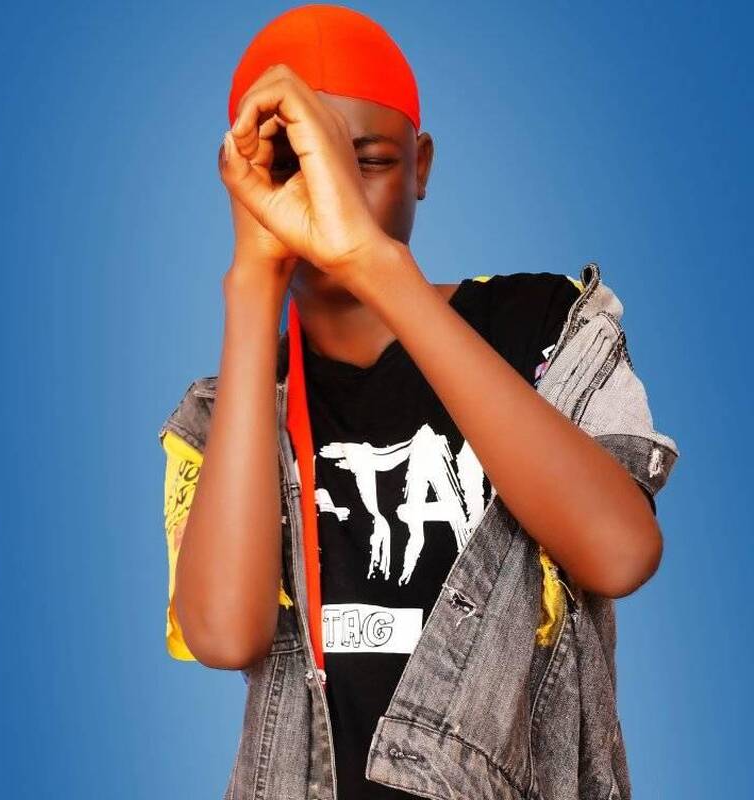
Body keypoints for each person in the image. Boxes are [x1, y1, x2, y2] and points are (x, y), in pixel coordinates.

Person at [158, 5, 676, 799]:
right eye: (297, 167)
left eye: (366, 163)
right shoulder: (227, 410)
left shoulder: (541, 325)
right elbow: (227, 635)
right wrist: (253, 281)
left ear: (421, 166)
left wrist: (372, 263)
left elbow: (621, 550)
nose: (332, 196)